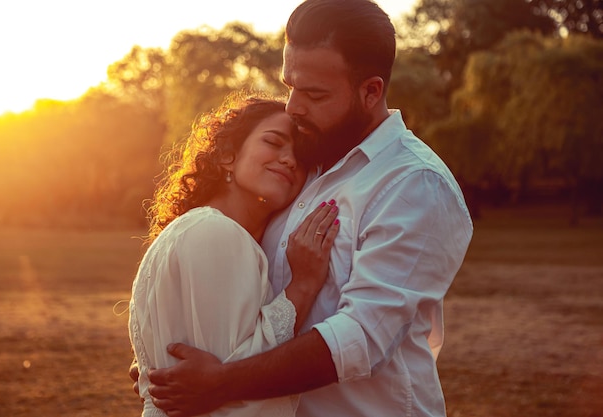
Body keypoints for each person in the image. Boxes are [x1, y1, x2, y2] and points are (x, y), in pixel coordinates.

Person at [135, 1, 474, 416]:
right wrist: (170, 359)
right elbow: (236, 298)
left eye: (314, 94)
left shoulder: (413, 184)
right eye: (289, 85)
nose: (293, 107)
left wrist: (220, 382)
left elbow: (361, 337)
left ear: (370, 91)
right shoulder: (298, 167)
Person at [128, 91, 341, 417]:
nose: (289, 160)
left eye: (300, 157)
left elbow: (221, 373)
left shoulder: (213, 232)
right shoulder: (215, 231)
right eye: (274, 142)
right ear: (228, 155)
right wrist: (304, 287)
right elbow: (234, 384)